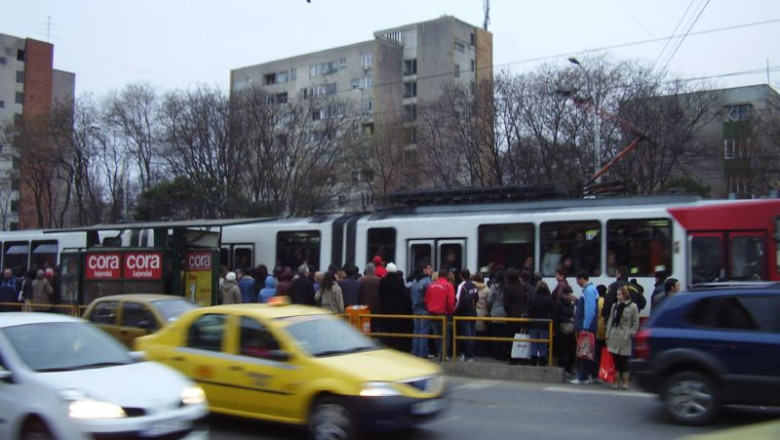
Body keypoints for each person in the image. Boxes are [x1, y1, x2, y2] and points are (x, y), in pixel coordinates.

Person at [606, 285, 640, 390]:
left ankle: (625, 381)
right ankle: (616, 380)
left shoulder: (633, 306)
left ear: (625, 295)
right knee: (616, 359)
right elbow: (611, 320)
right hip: (615, 334)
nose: (617, 296)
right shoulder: (615, 306)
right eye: (617, 294)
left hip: (625, 336)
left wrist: (631, 333)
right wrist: (607, 334)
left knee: (624, 359)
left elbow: (635, 323)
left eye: (619, 294)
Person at [571, 270, 598, 385]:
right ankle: (587, 376)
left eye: (577, 280)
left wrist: (585, 327)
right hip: (588, 327)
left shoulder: (588, 291)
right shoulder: (591, 290)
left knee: (583, 353)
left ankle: (582, 377)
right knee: (587, 353)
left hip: (586, 327)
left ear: (582, 279)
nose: (577, 282)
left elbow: (590, 311)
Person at [378, 262, 410, 351]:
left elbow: (380, 295)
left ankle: (386, 346)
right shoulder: (400, 281)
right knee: (396, 330)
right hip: (398, 310)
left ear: (387, 270)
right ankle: (396, 347)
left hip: (385, 310)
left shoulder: (383, 281)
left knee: (386, 329)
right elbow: (403, 295)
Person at [425, 268, 455, 360]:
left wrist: (430, 308)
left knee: (437, 335)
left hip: (432, 313)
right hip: (444, 314)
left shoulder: (431, 285)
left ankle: (439, 354)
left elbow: (426, 300)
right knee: (445, 336)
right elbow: (451, 302)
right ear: (446, 276)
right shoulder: (448, 285)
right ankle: (443, 355)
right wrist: (450, 312)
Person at [503, 267, 531, 365]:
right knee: (522, 337)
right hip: (522, 316)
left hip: (511, 316)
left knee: (511, 338)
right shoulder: (523, 287)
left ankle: (513, 358)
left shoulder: (507, 288)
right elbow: (527, 301)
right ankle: (523, 357)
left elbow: (505, 304)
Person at [453, 268, 478, 362]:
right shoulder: (474, 286)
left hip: (464, 313)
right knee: (472, 334)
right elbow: (476, 298)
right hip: (473, 312)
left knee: (465, 335)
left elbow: (458, 300)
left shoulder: (461, 286)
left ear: (461, 275)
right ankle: (471, 355)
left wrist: (455, 311)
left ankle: (467, 355)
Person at [528, 280, 554, 366]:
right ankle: (543, 363)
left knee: (534, 345)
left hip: (533, 323)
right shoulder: (549, 299)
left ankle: (533, 363)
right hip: (545, 324)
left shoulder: (532, 298)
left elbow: (529, 311)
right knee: (543, 345)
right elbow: (552, 312)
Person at [411, 264, 434, 358]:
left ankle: (415, 351)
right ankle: (422, 352)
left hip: (415, 309)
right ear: (424, 269)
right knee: (424, 331)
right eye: (429, 268)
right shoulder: (428, 281)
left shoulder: (415, 281)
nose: (431, 270)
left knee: (416, 331)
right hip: (425, 310)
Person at [486, 267, 508, 360]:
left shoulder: (494, 286)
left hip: (495, 312)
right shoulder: (507, 286)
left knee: (495, 334)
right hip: (505, 312)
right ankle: (502, 353)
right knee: (503, 335)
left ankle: (496, 354)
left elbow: (489, 299)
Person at [554, 285, 576, 374]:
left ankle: (568, 367)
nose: (568, 296)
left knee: (572, 350)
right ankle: (562, 367)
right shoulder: (558, 304)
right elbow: (556, 317)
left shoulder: (570, 304)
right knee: (562, 350)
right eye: (567, 294)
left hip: (569, 329)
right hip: (561, 329)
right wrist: (568, 319)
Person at [472, 272, 490, 357]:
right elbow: (489, 301)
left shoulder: (472, 287)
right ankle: (481, 351)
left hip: (474, 311)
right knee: (482, 334)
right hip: (483, 312)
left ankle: (473, 350)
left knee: (473, 332)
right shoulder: (486, 289)